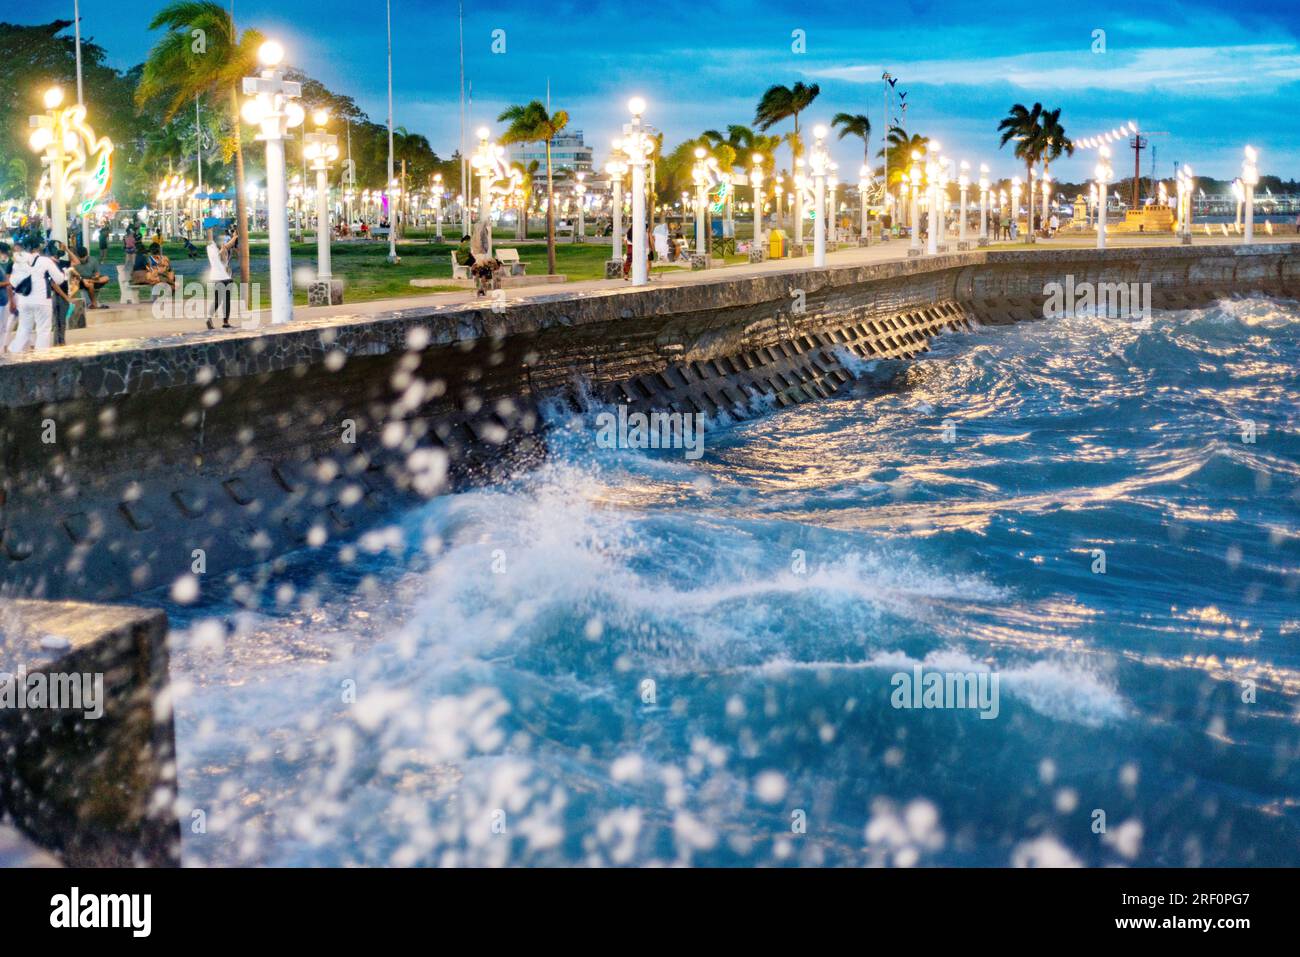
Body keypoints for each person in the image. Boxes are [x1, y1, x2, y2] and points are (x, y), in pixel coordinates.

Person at [7, 233, 66, 353]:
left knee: (24, 328)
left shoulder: (18, 261)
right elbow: (59, 280)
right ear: (38, 247)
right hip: (42, 300)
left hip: (24, 300)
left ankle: (14, 354)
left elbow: (13, 282)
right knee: (43, 330)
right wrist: (64, 272)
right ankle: (41, 357)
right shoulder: (45, 261)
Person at [206, 228, 237, 330]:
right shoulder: (219, 250)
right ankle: (225, 322)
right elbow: (222, 256)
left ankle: (209, 318)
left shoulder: (210, 248)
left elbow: (228, 245)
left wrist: (235, 237)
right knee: (226, 301)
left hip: (216, 278)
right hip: (225, 278)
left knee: (217, 300)